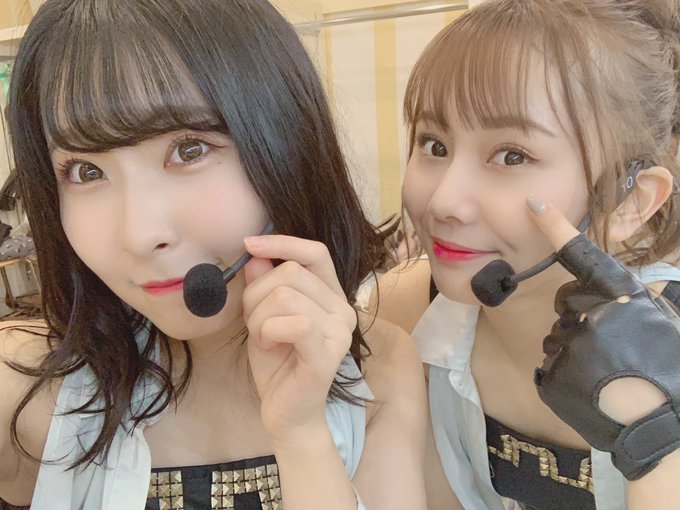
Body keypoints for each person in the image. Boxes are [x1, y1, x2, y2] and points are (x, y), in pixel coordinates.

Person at [0, 1, 427, 509]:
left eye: (189, 150)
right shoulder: (23, 383)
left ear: (288, 147)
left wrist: (301, 436)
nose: (140, 235)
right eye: (85, 171)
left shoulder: (381, 370)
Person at [372, 0, 680, 508]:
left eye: (512, 156)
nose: (444, 202)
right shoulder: (406, 310)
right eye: (434, 145)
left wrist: (654, 438)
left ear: (630, 200)